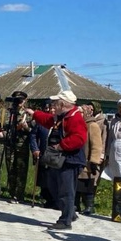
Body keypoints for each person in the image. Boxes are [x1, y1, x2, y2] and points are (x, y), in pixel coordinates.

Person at [28, 90, 87, 230]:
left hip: (70, 160)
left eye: (56, 102)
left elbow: (79, 138)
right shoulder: (62, 116)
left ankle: (65, 221)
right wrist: (34, 114)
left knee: (66, 190)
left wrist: (61, 145)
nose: (54, 105)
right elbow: (48, 120)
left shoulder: (75, 118)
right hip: (60, 159)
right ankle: (70, 213)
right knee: (53, 185)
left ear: (63, 103)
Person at [75, 102, 105, 216]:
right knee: (77, 183)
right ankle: (75, 204)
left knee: (87, 184)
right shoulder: (78, 124)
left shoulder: (92, 125)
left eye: (81, 112)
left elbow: (97, 145)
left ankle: (89, 205)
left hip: (87, 161)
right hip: (77, 159)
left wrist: (94, 161)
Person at [4, 91, 33, 204]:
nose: (18, 103)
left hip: (22, 144)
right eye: (16, 101)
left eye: (20, 101)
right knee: (11, 169)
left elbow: (33, 131)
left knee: (21, 169)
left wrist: (25, 127)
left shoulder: (28, 114)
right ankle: (12, 193)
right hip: (10, 143)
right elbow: (4, 126)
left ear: (25, 100)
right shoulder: (8, 113)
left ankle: (19, 195)